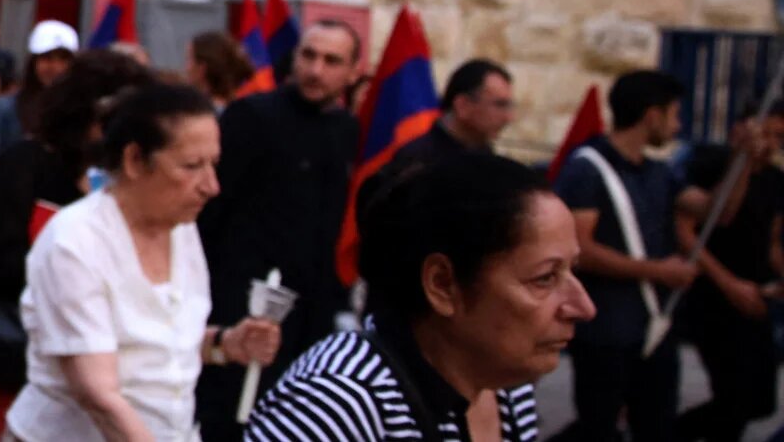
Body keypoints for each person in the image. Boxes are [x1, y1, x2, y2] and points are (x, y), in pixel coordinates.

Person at [247, 151, 591, 441]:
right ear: (442, 285)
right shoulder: (334, 405)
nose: (583, 307)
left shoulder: (506, 386)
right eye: (544, 278)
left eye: (573, 270)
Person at [10, 82, 281, 441]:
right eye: (191, 166)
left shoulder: (180, 229)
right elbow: (99, 395)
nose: (211, 186)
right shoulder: (75, 242)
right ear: (135, 160)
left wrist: (224, 344)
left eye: (214, 164)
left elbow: (155, 349)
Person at [0, 51, 149, 441]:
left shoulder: (124, 185)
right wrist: (71, 278)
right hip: (10, 359)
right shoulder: (25, 163)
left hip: (87, 372)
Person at [194, 18, 360, 442]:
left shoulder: (346, 130)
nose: (316, 70)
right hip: (241, 305)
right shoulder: (252, 117)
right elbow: (210, 211)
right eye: (309, 55)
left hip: (311, 313)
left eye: (331, 60)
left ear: (353, 71)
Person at [551, 68, 692, 442]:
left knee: (657, 427)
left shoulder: (660, 171)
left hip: (654, 326)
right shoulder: (588, 168)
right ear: (652, 115)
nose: (677, 126)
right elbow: (580, 248)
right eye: (674, 114)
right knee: (598, 428)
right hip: (605, 329)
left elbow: (712, 210)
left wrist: (744, 159)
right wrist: (656, 271)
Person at [672, 108, 784, 442]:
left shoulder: (776, 180)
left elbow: (773, 240)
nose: (772, 143)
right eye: (768, 133)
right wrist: (728, 284)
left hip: (757, 295)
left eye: (779, 137)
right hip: (714, 295)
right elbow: (697, 226)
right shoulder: (710, 164)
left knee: (760, 399)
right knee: (734, 397)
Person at [358, 58, 514, 213]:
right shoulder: (417, 161)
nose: (508, 118)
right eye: (499, 105)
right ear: (463, 105)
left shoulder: (488, 159)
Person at [0, 18, 77, 150]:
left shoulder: (79, 111)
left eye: (64, 59)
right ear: (33, 62)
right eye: (47, 58)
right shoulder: (5, 109)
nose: (56, 67)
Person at [184, 31, 251, 110]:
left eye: (189, 59)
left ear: (202, 68)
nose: (186, 68)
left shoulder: (203, 115)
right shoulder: (244, 110)